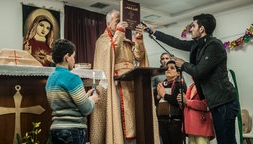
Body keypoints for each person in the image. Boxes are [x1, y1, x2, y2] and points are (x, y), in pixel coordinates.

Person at [145, 13, 239, 144]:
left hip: (225, 102)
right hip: (217, 102)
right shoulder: (198, 45)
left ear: (202, 29)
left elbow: (199, 71)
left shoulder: (214, 46)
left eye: (193, 26)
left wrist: (182, 64)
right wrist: (154, 32)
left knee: (226, 141)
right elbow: (177, 42)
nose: (191, 29)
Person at [90, 10, 159, 144]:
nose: (121, 22)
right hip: (116, 84)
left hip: (133, 84)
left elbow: (139, 57)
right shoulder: (102, 41)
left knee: (134, 115)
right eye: (117, 20)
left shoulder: (126, 41)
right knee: (120, 117)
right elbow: (112, 51)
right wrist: (120, 31)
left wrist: (138, 38)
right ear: (109, 23)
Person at [45, 39, 99, 144]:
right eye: (73, 56)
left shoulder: (50, 78)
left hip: (56, 130)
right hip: (72, 130)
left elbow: (65, 103)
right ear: (66, 57)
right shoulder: (72, 78)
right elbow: (86, 109)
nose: (74, 60)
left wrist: (85, 97)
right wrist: (92, 100)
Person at [155, 60, 187, 144]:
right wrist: (158, 97)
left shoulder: (179, 83)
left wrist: (164, 95)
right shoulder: (161, 84)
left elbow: (178, 102)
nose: (168, 69)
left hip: (174, 122)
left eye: (172, 68)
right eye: (167, 68)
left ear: (178, 73)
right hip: (161, 121)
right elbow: (155, 102)